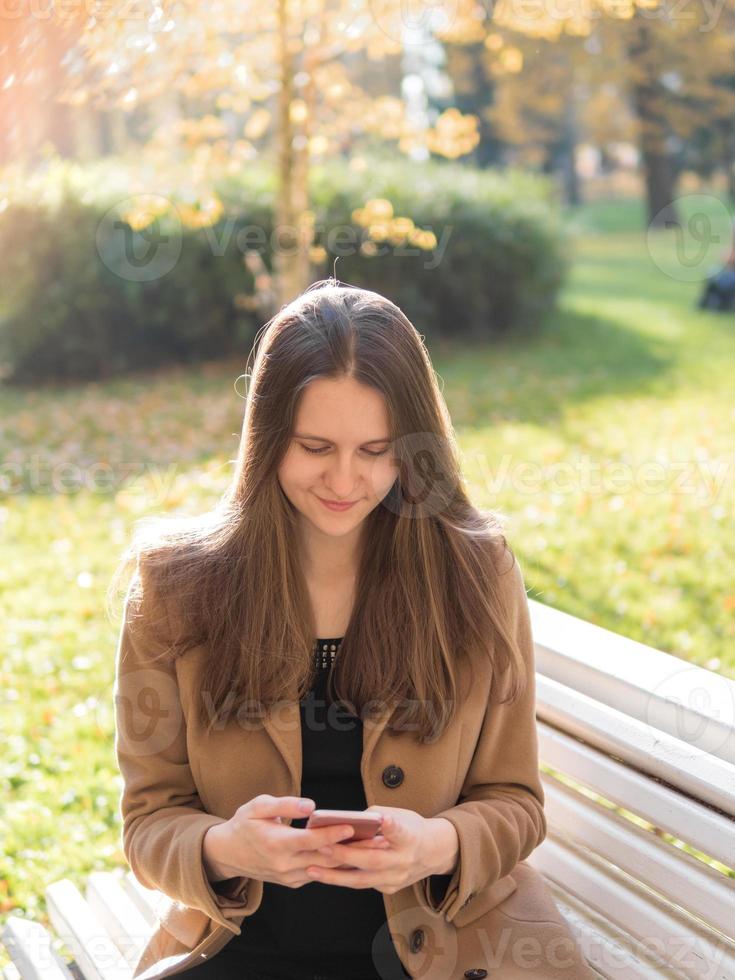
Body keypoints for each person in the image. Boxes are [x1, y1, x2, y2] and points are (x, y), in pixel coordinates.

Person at [111, 279, 596, 980]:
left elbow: (515, 803)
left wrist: (436, 844)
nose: (344, 479)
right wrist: (225, 849)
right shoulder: (175, 588)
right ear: (266, 438)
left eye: (376, 450)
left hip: (449, 948)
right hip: (242, 948)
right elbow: (149, 823)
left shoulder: (475, 572)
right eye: (314, 446)